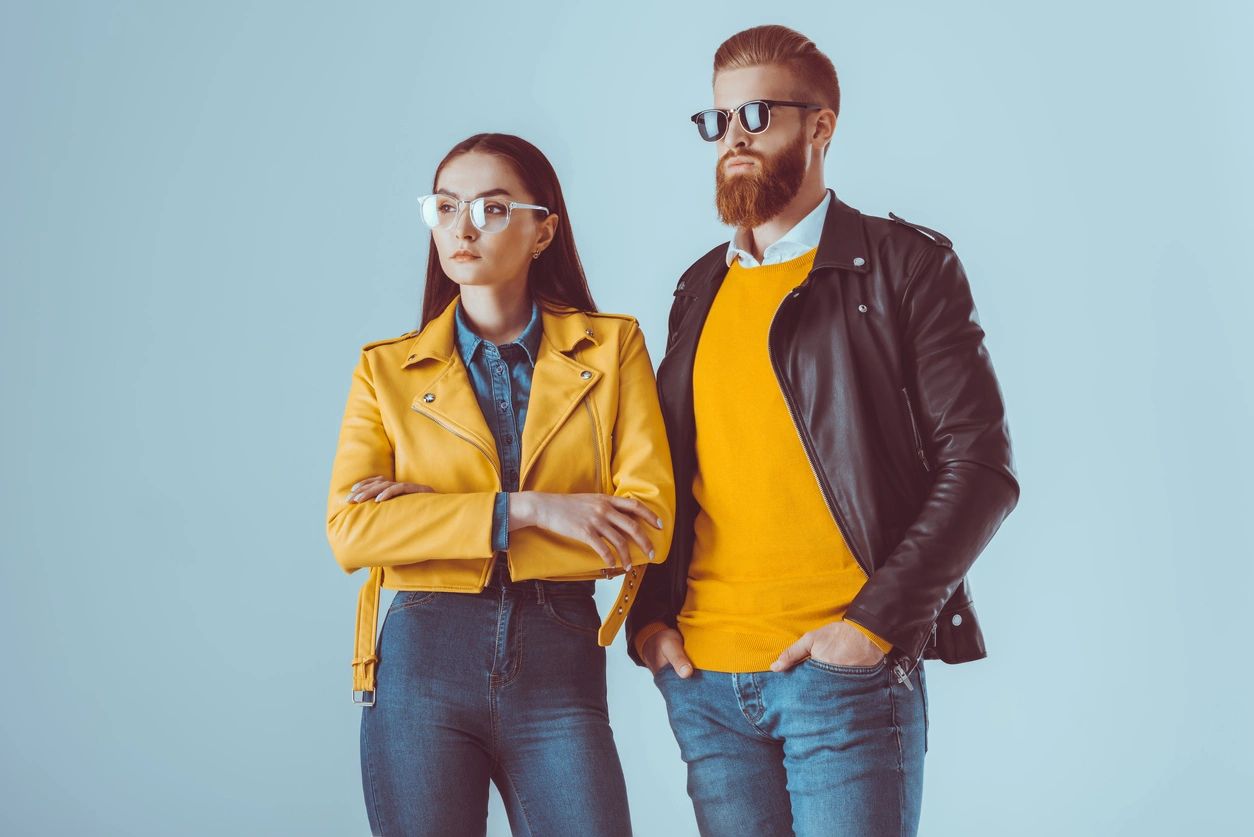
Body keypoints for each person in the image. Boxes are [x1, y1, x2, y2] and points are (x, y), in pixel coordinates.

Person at [625, 25, 1020, 837]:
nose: (733, 138)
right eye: (719, 120)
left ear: (821, 126)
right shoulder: (697, 287)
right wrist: (651, 618)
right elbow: (676, 468)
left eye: (757, 115)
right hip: (706, 681)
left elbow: (981, 466)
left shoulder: (903, 265)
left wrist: (875, 624)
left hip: (842, 679)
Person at [325, 132, 676, 837]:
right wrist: (534, 510)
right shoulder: (384, 371)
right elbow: (353, 531)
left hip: (560, 656)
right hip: (421, 660)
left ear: (543, 228)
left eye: (490, 207)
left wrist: (434, 520)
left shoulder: (612, 348)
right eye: (446, 206)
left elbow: (647, 526)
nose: (462, 227)